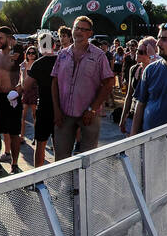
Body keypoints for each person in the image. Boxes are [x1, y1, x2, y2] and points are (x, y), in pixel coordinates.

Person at [48, 16, 116, 159]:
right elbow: (54, 82)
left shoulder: (99, 56)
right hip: (64, 114)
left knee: (88, 159)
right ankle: (65, 182)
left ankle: (84, 182)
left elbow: (109, 83)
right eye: (76, 28)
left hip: (89, 115)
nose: (79, 32)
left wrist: (92, 109)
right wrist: (56, 110)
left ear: (90, 33)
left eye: (84, 29)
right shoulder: (62, 54)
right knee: (60, 157)